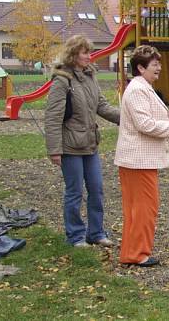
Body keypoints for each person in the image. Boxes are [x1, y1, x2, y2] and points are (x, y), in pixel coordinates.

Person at [45, 35, 120, 247]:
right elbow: (53, 117)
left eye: (89, 51)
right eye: (84, 52)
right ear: (73, 55)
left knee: (96, 189)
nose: (89, 56)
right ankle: (76, 236)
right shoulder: (62, 80)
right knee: (74, 192)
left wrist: (129, 119)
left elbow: (102, 106)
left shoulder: (90, 77)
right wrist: (54, 150)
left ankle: (96, 233)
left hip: (90, 144)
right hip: (70, 147)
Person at [114, 45, 169, 267]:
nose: (159, 68)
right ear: (141, 68)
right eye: (154, 65)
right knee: (144, 208)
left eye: (159, 64)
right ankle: (137, 254)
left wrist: (168, 132)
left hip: (139, 160)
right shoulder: (137, 90)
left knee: (140, 207)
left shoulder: (143, 88)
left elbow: (148, 121)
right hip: (137, 161)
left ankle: (132, 252)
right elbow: (144, 124)